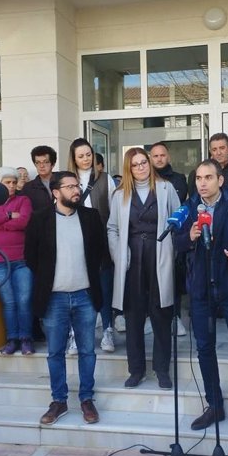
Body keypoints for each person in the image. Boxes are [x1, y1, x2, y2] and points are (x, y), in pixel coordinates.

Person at [174, 159, 228, 440]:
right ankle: (215, 405)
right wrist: (188, 235)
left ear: (220, 180)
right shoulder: (189, 208)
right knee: (204, 349)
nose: (202, 183)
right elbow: (176, 242)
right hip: (201, 289)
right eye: (198, 178)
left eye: (208, 177)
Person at [25, 171, 106, 426]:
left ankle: (86, 398)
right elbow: (31, 257)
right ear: (56, 192)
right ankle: (59, 400)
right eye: (69, 186)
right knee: (55, 353)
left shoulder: (91, 217)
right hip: (54, 298)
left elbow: (101, 253)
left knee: (87, 351)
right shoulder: (40, 219)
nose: (75, 190)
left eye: (77, 185)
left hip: (85, 295)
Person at [107, 148, 179, 389]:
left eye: (144, 163)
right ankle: (136, 370)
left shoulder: (166, 188)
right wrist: (119, 255)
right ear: (129, 168)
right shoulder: (119, 195)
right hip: (132, 260)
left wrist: (172, 251)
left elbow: (178, 221)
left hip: (159, 257)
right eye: (135, 164)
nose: (141, 167)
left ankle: (162, 369)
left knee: (161, 314)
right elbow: (113, 228)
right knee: (133, 316)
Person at [67, 138, 118, 353]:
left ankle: (107, 330)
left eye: (88, 154)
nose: (86, 159)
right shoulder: (66, 180)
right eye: (81, 155)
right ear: (74, 158)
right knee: (77, 290)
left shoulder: (106, 179)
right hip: (74, 241)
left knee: (104, 288)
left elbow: (114, 210)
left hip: (101, 241)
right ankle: (75, 336)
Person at [0, 166, 34, 355]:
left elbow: (24, 221)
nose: (11, 185)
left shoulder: (23, 199)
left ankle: (26, 339)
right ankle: (12, 340)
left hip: (21, 260)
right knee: (9, 302)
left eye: (13, 182)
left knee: (24, 301)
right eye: (7, 182)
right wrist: (9, 215)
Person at [149, 141, 188, 336]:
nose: (159, 159)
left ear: (168, 157)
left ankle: (175, 317)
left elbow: (181, 208)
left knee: (173, 279)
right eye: (155, 156)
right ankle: (151, 317)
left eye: (162, 155)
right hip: (150, 239)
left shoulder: (179, 179)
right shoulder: (144, 179)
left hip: (173, 237)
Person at [188, 132, 228, 198]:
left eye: (222, 148)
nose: (218, 153)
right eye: (214, 149)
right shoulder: (197, 173)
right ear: (210, 152)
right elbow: (194, 199)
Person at [20, 145, 57, 211]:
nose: (41, 166)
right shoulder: (28, 188)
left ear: (53, 164)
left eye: (46, 162)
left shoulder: (63, 181)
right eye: (38, 162)